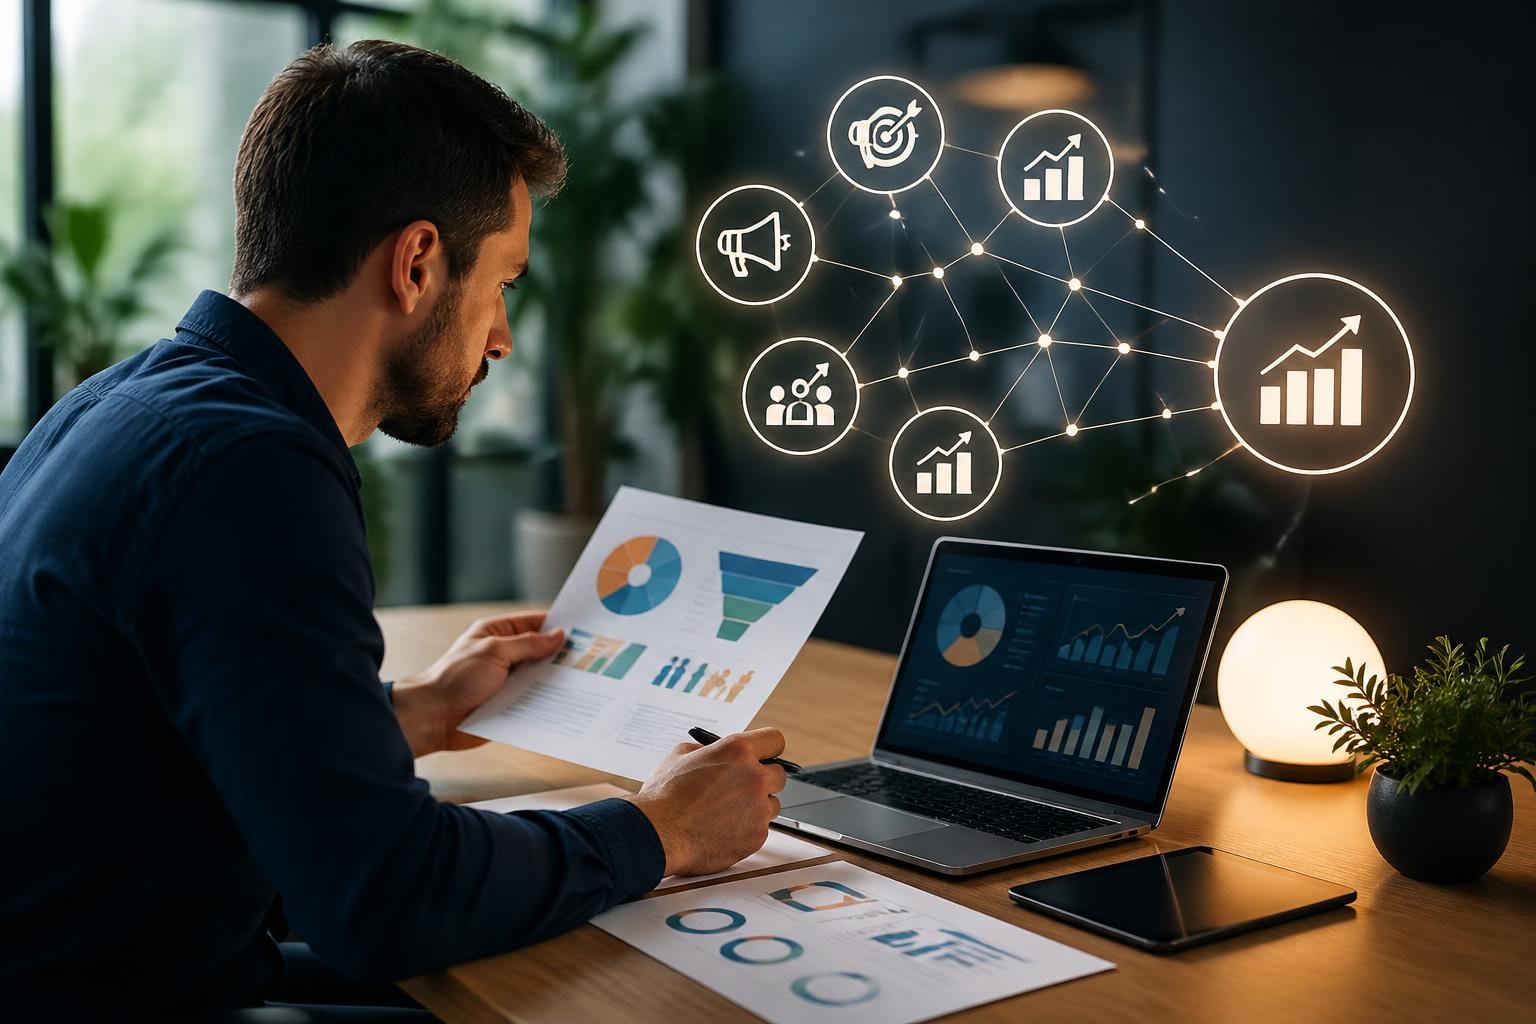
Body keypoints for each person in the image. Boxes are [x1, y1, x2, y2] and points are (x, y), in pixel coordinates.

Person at [0, 40, 786, 1020]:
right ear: (417, 262)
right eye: (502, 280)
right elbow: (384, 898)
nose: (502, 333)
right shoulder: (252, 473)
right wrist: (660, 827)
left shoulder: (120, 405)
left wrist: (408, 710)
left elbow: (161, 730)